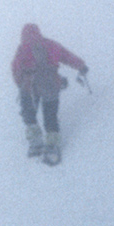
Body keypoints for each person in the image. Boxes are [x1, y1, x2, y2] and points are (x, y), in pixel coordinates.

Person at [12, 23, 88, 163]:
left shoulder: (22, 49)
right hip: (50, 84)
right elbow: (67, 56)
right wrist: (81, 66)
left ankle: (35, 142)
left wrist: (21, 85)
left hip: (29, 87)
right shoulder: (50, 45)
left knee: (29, 114)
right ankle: (52, 143)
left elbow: (16, 69)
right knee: (50, 114)